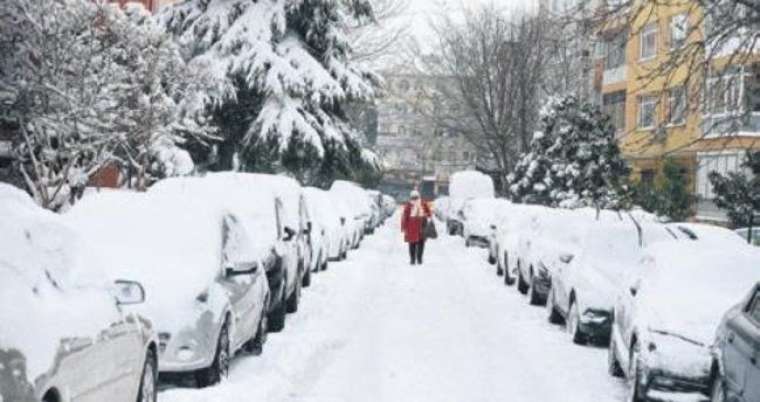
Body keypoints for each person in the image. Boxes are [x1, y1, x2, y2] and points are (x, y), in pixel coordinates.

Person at [401, 190, 432, 265]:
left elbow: (404, 217)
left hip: (412, 228)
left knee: (412, 244)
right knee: (420, 244)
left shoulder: (409, 205)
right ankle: (419, 259)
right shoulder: (423, 204)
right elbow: (429, 214)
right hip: (421, 227)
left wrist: (404, 227)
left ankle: (413, 259)